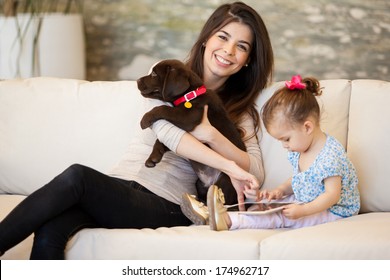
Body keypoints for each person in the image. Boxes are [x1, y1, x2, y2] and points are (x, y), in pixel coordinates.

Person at [0, 2, 273, 259]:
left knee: (77, 176)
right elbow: (166, 131)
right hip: (120, 185)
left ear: (248, 59)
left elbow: (256, 171)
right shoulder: (166, 73)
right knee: (52, 226)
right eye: (223, 37)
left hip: (168, 202)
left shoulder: (243, 111)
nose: (228, 51)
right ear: (206, 38)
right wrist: (228, 163)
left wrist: (211, 134)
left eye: (242, 46)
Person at [186, 75, 360, 231]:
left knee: (280, 217)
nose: (284, 146)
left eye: (286, 139)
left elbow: (332, 195)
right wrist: (280, 191)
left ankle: (228, 220)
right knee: (264, 207)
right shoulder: (300, 148)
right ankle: (216, 214)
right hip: (310, 200)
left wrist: (303, 211)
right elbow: (301, 179)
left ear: (307, 127)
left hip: (335, 211)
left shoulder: (330, 156)